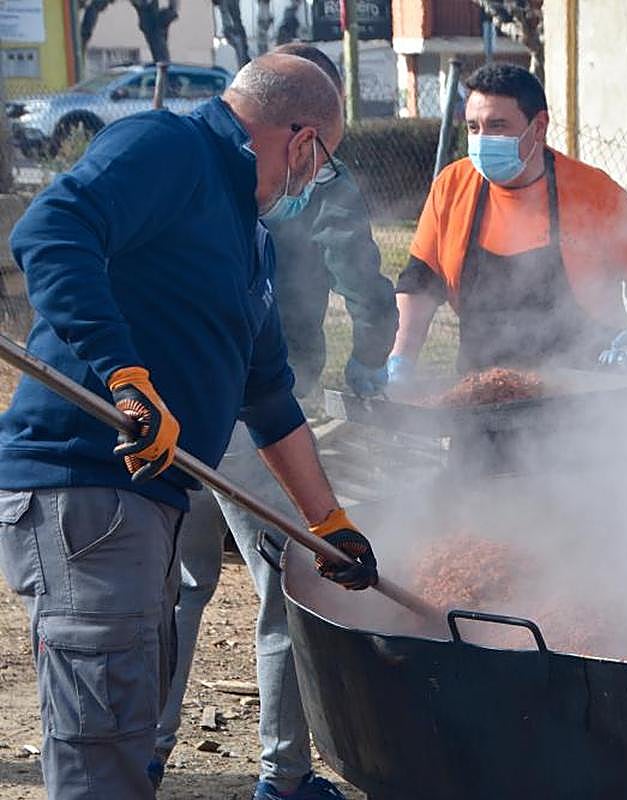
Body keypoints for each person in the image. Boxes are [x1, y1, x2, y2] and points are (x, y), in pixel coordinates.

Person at [0, 53, 379, 800]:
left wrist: (328, 523)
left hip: (146, 504)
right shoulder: (169, 148)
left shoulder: (249, 238)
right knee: (102, 747)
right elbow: (53, 228)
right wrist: (127, 376)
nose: (314, 181)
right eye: (322, 163)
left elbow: (269, 399)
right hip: (89, 486)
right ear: (303, 141)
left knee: (125, 725)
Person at [150, 43, 396, 800]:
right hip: (255, 419)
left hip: (172, 409)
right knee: (290, 585)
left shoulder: (201, 169)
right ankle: (283, 779)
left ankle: (144, 753)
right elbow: (363, 283)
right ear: (307, 130)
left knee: (180, 585)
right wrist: (371, 362)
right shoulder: (316, 175)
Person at [387, 63, 627, 381]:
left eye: (498, 125)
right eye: (474, 127)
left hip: (586, 392)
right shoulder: (452, 186)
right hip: (479, 391)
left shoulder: (596, 193)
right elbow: (420, 283)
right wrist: (401, 358)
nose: (483, 139)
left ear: (539, 127)